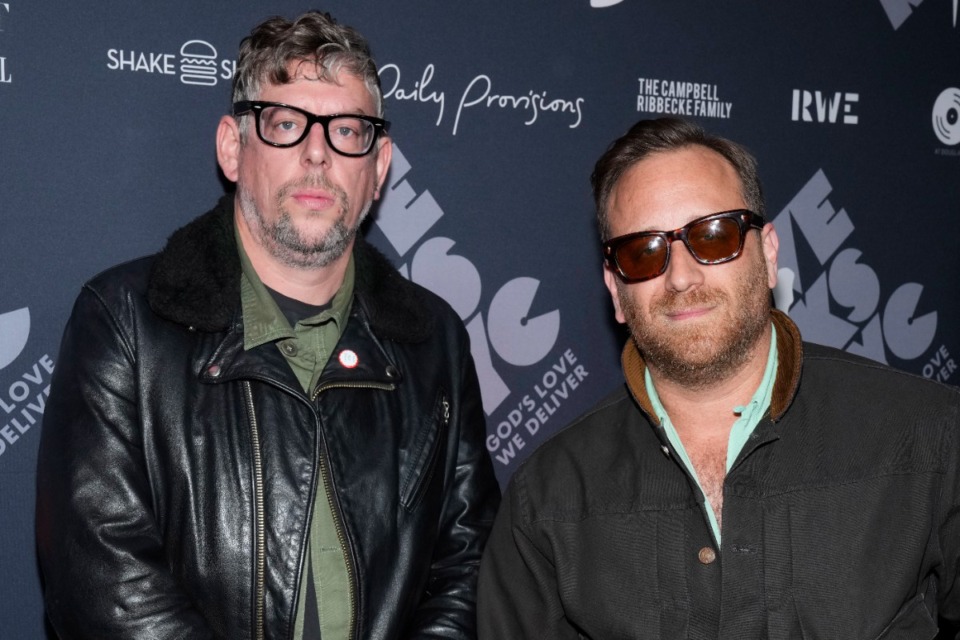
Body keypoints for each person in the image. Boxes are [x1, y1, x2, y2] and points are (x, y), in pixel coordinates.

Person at [36, 11, 499, 640]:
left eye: (347, 131)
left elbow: (467, 565)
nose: (317, 154)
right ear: (233, 147)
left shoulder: (434, 341)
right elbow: (104, 590)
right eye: (286, 125)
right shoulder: (124, 324)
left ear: (379, 164)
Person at [477, 117, 960, 638]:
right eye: (644, 251)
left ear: (769, 254)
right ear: (616, 291)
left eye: (714, 235)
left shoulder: (929, 436)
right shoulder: (548, 500)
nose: (681, 277)